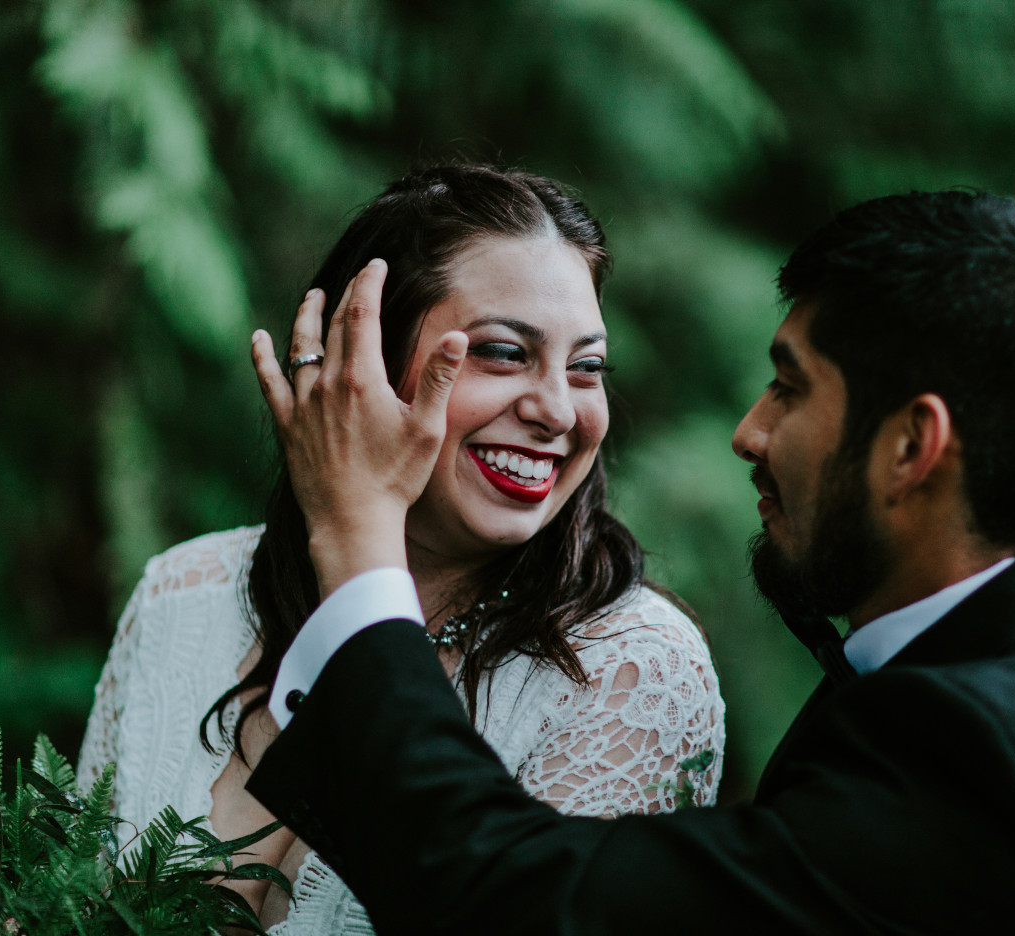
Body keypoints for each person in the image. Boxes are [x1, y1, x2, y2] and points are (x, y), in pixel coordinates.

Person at [244, 190, 1015, 934]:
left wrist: (360, 536)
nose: (750, 432)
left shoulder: (982, 766)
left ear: (913, 447)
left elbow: (513, 902)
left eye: (791, 388)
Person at [75, 166, 725, 933]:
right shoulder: (182, 593)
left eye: (586, 368)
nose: (556, 410)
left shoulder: (631, 672)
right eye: (504, 353)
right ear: (361, 365)